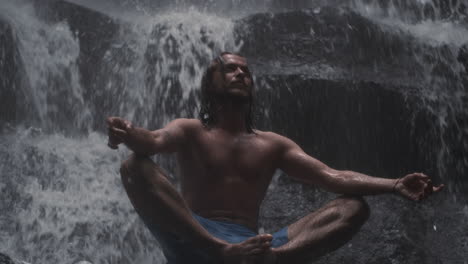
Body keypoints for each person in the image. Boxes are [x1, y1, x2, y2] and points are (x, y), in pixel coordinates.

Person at [106, 52, 444, 264]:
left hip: (254, 249)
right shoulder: (190, 130)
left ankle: (276, 261)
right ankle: (217, 250)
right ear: (210, 85)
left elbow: (332, 176)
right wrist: (128, 132)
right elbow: (151, 141)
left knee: (353, 207)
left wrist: (395, 184)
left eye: (246, 72)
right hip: (194, 239)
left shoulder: (272, 145)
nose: (241, 74)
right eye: (230, 69)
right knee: (133, 167)